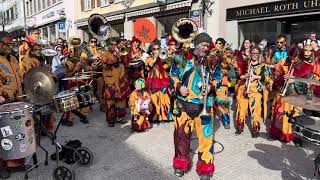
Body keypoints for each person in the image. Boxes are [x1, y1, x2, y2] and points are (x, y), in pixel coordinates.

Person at [172, 33, 215, 180]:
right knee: (181, 137)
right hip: (183, 104)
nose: (205, 48)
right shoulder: (181, 58)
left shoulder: (212, 61)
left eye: (207, 46)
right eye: (203, 45)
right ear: (196, 45)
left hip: (204, 106)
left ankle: (205, 169)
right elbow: (172, 75)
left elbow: (219, 78)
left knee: (206, 138)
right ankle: (180, 164)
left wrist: (210, 86)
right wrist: (178, 87)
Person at [269, 47, 313, 147]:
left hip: (298, 97)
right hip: (284, 96)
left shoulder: (308, 67)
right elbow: (276, 78)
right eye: (291, 58)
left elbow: (310, 85)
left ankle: (296, 137)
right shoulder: (285, 63)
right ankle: (282, 134)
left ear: (300, 57)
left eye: (295, 58)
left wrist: (295, 81)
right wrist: (282, 78)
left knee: (297, 116)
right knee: (283, 114)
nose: (292, 60)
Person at [0, 32, 23, 179]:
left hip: (16, 101)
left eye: (11, 43)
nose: (10, 46)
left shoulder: (14, 59)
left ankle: (14, 163)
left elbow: (19, 78)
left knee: (14, 133)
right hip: (2, 103)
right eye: (6, 44)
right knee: (1, 134)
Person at [235, 46, 273, 137]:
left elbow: (268, 78)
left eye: (256, 53)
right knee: (242, 106)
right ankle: (240, 124)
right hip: (245, 89)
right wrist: (243, 77)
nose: (254, 55)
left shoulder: (263, 66)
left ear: (259, 54)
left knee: (255, 108)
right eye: (253, 53)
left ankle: (255, 127)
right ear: (250, 54)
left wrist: (257, 77)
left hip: (256, 90)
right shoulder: (245, 64)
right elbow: (238, 75)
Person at [101, 39, 130, 127]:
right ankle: (111, 120)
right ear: (107, 46)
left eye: (114, 45)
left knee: (121, 100)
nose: (114, 47)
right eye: (111, 45)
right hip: (110, 80)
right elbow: (105, 64)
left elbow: (125, 63)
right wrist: (117, 57)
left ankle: (120, 118)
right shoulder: (104, 54)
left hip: (120, 79)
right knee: (110, 100)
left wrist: (121, 55)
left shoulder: (119, 53)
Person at [144, 40, 172, 122]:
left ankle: (164, 117)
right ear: (151, 50)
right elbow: (149, 67)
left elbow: (167, 67)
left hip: (163, 80)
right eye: (154, 49)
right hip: (153, 81)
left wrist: (164, 59)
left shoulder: (163, 57)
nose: (156, 50)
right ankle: (154, 117)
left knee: (164, 99)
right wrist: (155, 59)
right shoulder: (148, 58)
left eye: (158, 48)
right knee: (154, 99)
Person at [80, 37, 104, 112]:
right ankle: (88, 107)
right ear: (89, 42)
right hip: (90, 74)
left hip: (99, 73)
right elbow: (82, 61)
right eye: (92, 41)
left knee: (101, 91)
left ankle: (102, 105)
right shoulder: (85, 51)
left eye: (95, 41)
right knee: (90, 91)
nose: (93, 43)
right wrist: (88, 67)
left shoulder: (100, 50)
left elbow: (104, 58)